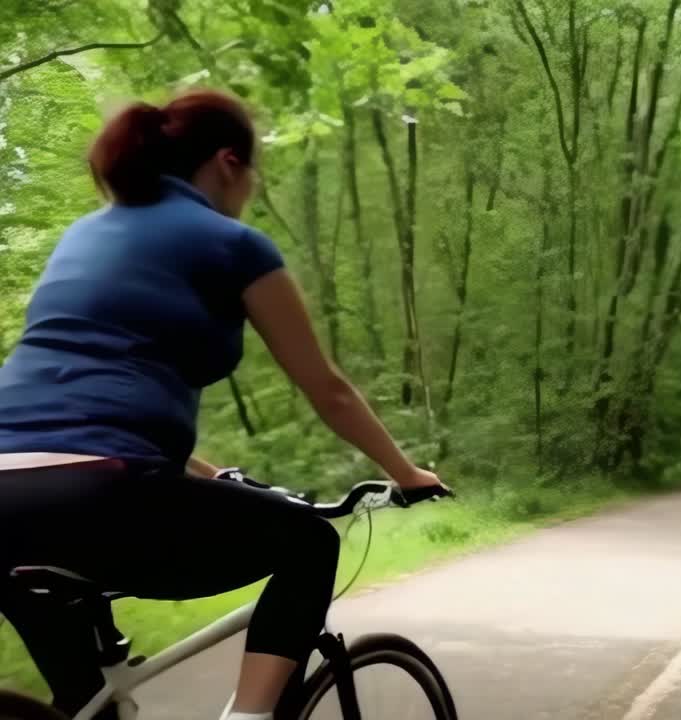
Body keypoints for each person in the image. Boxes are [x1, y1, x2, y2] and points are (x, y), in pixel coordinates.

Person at [0, 90, 447, 720]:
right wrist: (408, 474)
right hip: (100, 493)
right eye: (254, 174)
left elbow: (86, 421)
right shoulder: (231, 243)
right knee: (310, 545)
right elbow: (328, 388)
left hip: (9, 493)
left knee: (84, 705)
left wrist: (212, 477)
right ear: (228, 162)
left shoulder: (84, 235)